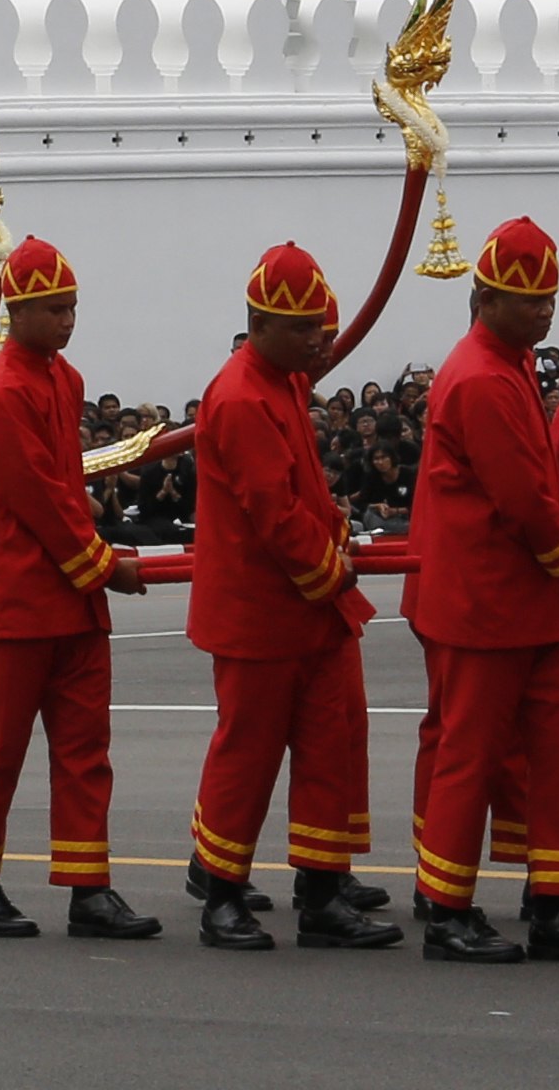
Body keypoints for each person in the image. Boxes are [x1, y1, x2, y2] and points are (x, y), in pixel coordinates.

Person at [397, 218, 559, 963]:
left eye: (550, 299)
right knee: (473, 756)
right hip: (486, 601)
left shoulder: (506, 363)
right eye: (529, 300)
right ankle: (448, 907)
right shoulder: (481, 376)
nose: (545, 312)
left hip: (520, 599)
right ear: (484, 297)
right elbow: (521, 496)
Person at [187, 236, 392, 948]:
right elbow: (273, 513)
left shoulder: (277, 382)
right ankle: (221, 892)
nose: (319, 342)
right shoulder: (243, 396)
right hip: (260, 613)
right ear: (261, 326)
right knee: (248, 755)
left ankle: (322, 887)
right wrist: (333, 568)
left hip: (304, 607)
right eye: (305, 330)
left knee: (327, 747)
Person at [0, 233, 150, 942]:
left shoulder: (63, 380)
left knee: (85, 750)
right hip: (16, 597)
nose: (68, 321)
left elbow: (62, 493)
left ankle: (88, 887)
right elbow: (39, 500)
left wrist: (92, 563)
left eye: (72, 307)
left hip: (68, 595)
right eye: (56, 309)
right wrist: (106, 568)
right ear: (19, 311)